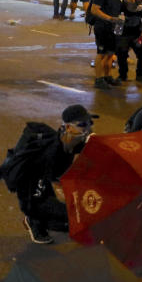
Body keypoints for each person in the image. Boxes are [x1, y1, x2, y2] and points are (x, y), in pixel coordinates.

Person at [2, 105, 95, 244]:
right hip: (31, 192)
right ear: (69, 128)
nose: (88, 128)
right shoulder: (48, 155)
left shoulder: (69, 141)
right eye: (83, 125)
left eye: (90, 123)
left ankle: (41, 216)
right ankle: (33, 220)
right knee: (74, 218)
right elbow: (43, 188)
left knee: (76, 215)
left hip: (43, 183)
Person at [88, 0, 127, 90]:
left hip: (112, 28)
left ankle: (107, 76)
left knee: (110, 53)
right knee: (101, 53)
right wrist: (110, 18)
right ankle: (98, 79)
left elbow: (129, 1)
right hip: (102, 27)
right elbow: (94, 10)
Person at [116, 0, 142, 84]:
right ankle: (122, 75)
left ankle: (140, 75)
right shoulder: (122, 6)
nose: (140, 2)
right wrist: (117, 38)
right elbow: (116, 23)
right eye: (138, 0)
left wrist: (141, 37)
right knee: (121, 53)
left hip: (137, 34)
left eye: (141, 0)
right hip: (124, 34)